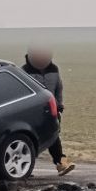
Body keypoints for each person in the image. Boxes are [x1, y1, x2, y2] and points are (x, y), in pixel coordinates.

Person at [22, 46, 75, 176]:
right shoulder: (24, 71)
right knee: (31, 140)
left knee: (54, 136)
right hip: (33, 112)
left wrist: (59, 104)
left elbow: (58, 88)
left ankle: (61, 162)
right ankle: (25, 168)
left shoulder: (54, 70)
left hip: (51, 110)